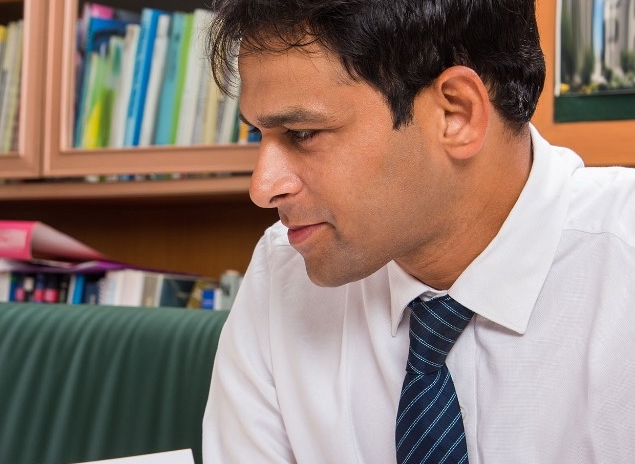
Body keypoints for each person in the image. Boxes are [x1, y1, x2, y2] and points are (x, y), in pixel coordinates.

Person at [200, 0, 635, 462]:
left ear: (456, 114)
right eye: (258, 136)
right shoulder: (280, 273)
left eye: (303, 133)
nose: (262, 188)